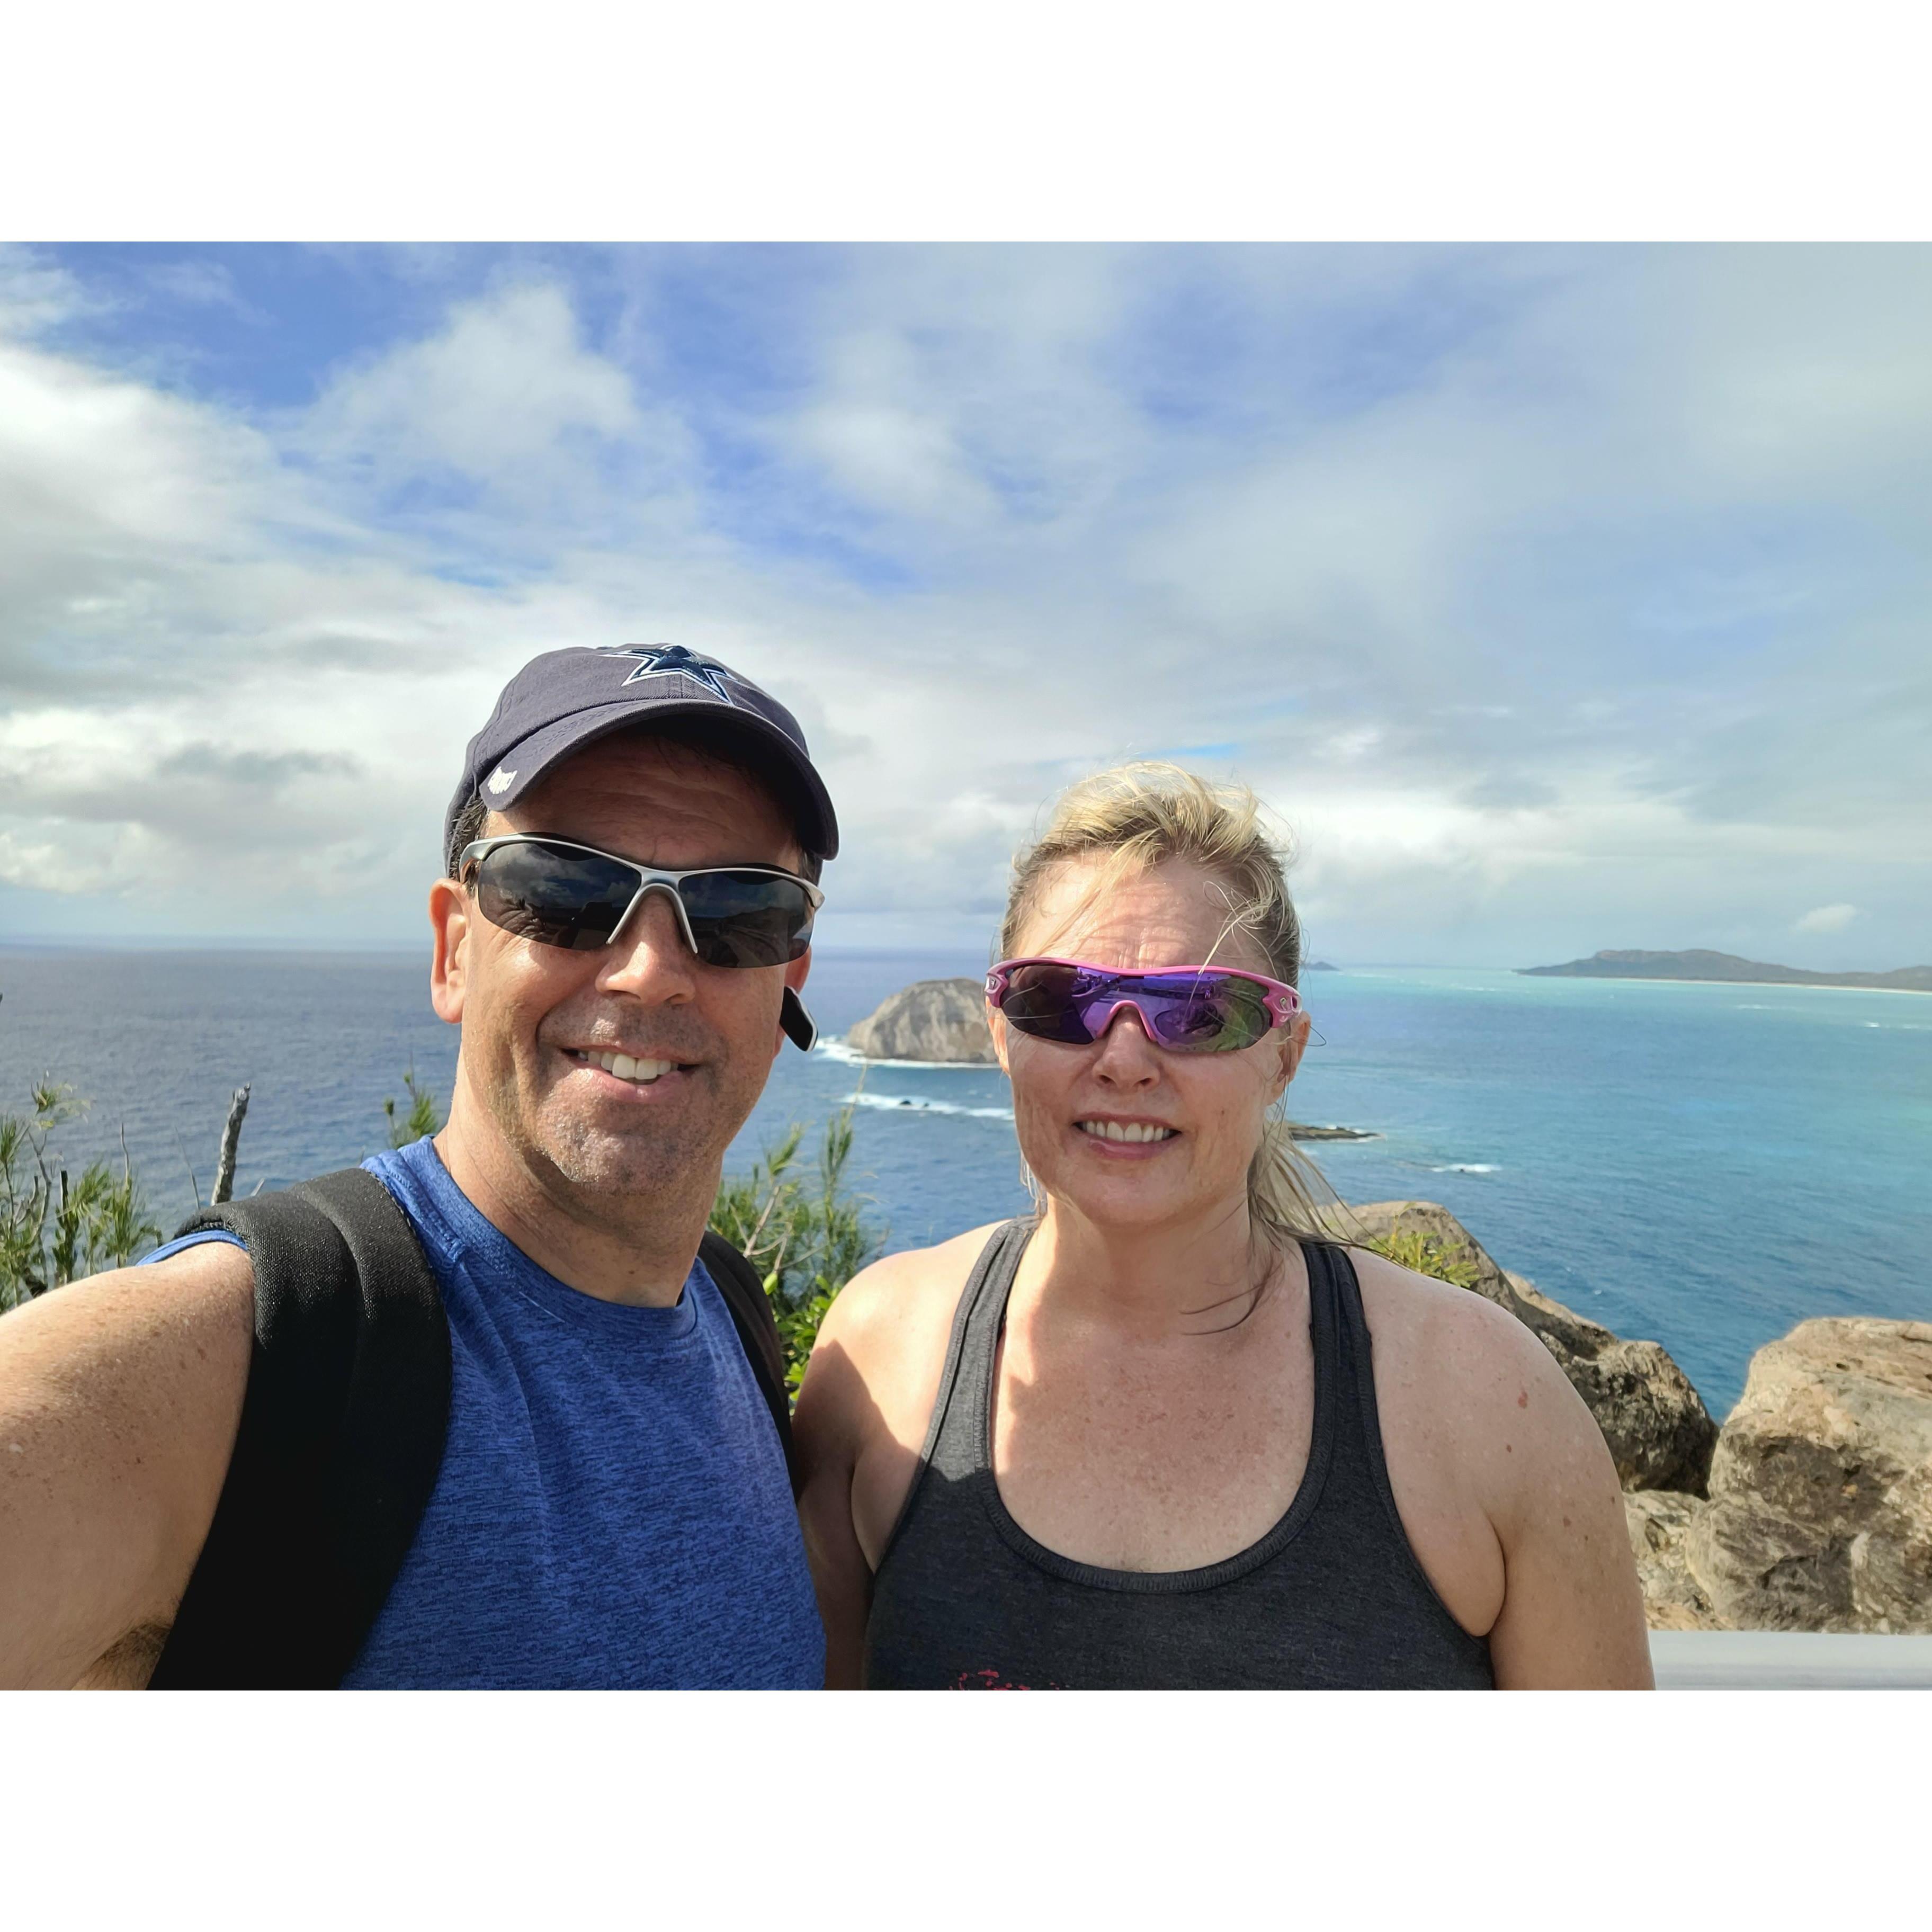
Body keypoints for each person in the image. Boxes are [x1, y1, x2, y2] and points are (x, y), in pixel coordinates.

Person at [0, 642, 836, 1689]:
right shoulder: (261, 1356)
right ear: (454, 950)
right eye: (564, 888)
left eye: (737, 911)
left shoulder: (736, 1320)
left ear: (790, 975)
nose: (650, 970)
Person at [794, 764, 1652, 1689]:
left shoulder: (1486, 1402)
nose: (1125, 1058)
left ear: (1284, 1057)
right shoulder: (880, 1359)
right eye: (1062, 998)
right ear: (1001, 1032)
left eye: (1199, 1010)